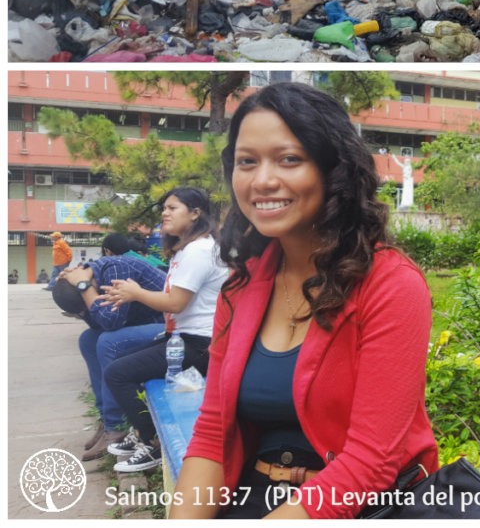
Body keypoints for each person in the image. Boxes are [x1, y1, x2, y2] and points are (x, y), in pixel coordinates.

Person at [171, 83, 437, 519]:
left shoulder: (391, 285)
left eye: (289, 159)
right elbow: (212, 432)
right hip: (252, 496)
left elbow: (372, 462)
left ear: (334, 169)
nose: (263, 180)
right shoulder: (242, 285)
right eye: (247, 162)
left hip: (356, 507)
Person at [100, 187, 228, 474]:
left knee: (117, 373)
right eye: (164, 208)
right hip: (182, 338)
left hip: (199, 344)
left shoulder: (199, 250)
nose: (164, 213)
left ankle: (152, 443)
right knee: (121, 364)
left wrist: (135, 292)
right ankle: (143, 433)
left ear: (196, 213)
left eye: (173, 208)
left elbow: (176, 303)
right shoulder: (189, 249)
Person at [50, 252, 167, 460]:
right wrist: (81, 296)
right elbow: (98, 322)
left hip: (170, 325)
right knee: (88, 340)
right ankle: (106, 420)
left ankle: (116, 427)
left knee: (108, 342)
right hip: (144, 325)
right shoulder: (90, 278)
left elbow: (110, 323)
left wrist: (84, 288)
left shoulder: (116, 269)